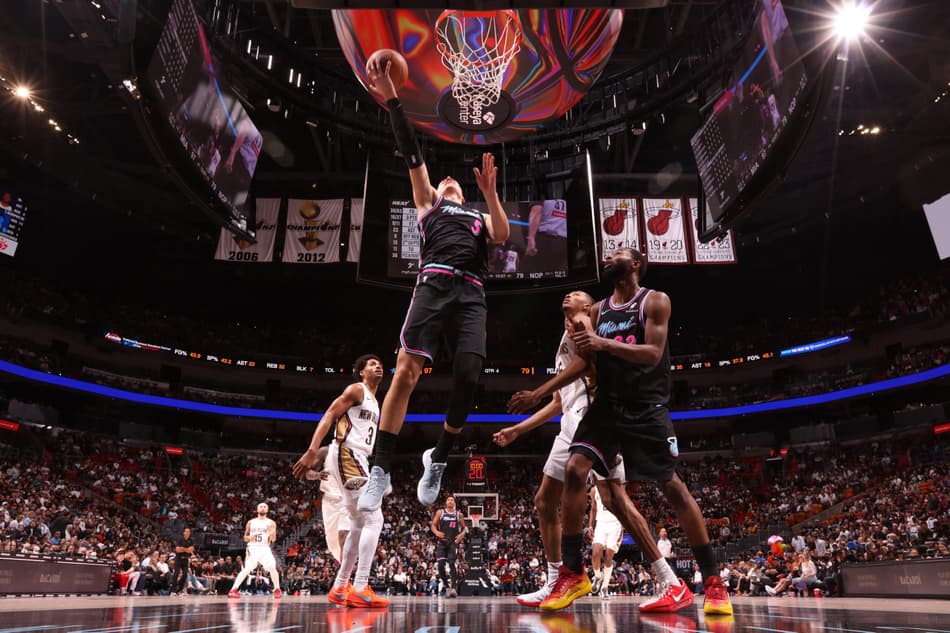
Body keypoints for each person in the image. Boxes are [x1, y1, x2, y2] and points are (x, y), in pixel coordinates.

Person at [508, 247, 732, 614]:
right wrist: (538, 392)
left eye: (617, 252)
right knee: (575, 469)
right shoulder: (598, 311)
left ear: (636, 264)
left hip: (646, 406)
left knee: (672, 487)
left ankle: (713, 582)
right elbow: (584, 362)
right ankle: (573, 572)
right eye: (607, 254)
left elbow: (653, 353)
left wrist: (602, 343)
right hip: (608, 407)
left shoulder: (654, 301)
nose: (608, 256)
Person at [358, 56, 510, 512]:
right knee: (404, 372)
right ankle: (381, 469)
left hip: (471, 293)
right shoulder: (429, 205)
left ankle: (438, 456)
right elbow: (412, 153)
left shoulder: (478, 215)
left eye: (453, 181)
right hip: (434, 285)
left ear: (462, 192)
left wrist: (490, 195)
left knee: (468, 376)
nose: (447, 178)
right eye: (444, 180)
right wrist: (392, 100)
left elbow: (502, 235)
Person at [494, 290, 685, 611]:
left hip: (593, 419)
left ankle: (669, 579)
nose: (569, 304)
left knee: (614, 499)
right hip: (570, 419)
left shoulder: (591, 328)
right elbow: (560, 400)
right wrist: (519, 428)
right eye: (566, 312)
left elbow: (590, 371)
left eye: (577, 301)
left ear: (590, 307)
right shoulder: (568, 334)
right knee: (544, 501)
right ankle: (557, 579)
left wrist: (537, 393)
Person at [292, 354, 388, 608]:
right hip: (347, 453)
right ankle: (360, 586)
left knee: (358, 521)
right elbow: (329, 415)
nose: (377, 365)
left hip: (358, 458)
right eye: (371, 364)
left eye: (379, 363)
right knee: (374, 517)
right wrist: (313, 449)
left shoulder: (375, 402)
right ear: (360, 372)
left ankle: (340, 586)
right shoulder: (357, 390)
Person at [228, 503, 281, 599]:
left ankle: (277, 589)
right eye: (261, 506)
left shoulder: (271, 523)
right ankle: (233, 590)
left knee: (272, 567)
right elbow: (245, 537)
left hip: (265, 548)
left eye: (265, 506)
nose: (263, 508)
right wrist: (250, 537)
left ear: (267, 510)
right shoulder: (251, 522)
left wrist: (270, 533)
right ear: (257, 509)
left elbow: (273, 539)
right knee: (247, 569)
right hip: (253, 548)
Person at [589, 482, 622, 599]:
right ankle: (597, 576)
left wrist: (623, 525)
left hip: (615, 523)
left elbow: (622, 506)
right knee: (596, 552)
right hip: (601, 523)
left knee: (608, 557)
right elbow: (593, 509)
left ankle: (605, 587)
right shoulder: (594, 490)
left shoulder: (616, 486)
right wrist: (590, 526)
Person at [431, 495, 467, 598]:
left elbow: (464, 528)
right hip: (442, 542)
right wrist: (436, 532)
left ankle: (454, 588)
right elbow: (433, 525)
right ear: (446, 503)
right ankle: (446, 587)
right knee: (441, 565)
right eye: (448, 500)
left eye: (452, 500)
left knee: (452, 563)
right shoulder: (440, 512)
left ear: (454, 503)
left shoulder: (458, 514)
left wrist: (461, 535)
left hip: (452, 543)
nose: (450, 501)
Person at [522, 200, 568, 275]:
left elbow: (536, 211)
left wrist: (531, 238)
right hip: (564, 242)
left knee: (527, 273)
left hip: (546, 239)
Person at [172, 527, 195, 595]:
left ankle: (179, 590)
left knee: (185, 575)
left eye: (188, 532)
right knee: (176, 573)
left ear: (190, 533)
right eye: (186, 531)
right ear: (183, 532)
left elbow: (191, 550)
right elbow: (177, 550)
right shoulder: (180, 539)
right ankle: (173, 590)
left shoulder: (191, 540)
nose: (187, 533)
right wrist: (186, 549)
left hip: (185, 559)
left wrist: (183, 548)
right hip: (178, 559)